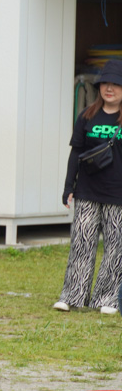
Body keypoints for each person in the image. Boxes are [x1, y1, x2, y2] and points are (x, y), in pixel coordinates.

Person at [55, 60, 122, 315]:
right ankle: (73, 295)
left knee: (116, 247)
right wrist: (68, 186)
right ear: (99, 86)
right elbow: (76, 153)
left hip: (118, 194)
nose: (110, 89)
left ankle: (107, 299)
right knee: (82, 242)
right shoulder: (87, 116)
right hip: (87, 191)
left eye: (116, 84)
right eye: (106, 83)